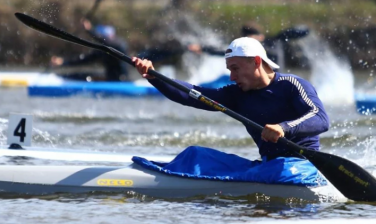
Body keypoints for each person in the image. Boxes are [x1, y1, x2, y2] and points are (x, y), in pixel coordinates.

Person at [132, 37, 329, 160]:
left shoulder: (292, 85)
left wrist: (283, 128)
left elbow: (321, 119)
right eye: (229, 70)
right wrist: (154, 77)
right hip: (270, 166)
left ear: (256, 62)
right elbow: (191, 95)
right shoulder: (236, 94)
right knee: (196, 156)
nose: (232, 77)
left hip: (302, 164)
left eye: (235, 69)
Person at [188, 22, 310, 69]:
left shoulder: (276, 40)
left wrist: (305, 30)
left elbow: (297, 31)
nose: (248, 43)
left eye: (249, 39)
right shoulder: (245, 48)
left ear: (260, 36)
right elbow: (224, 51)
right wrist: (203, 48)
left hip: (278, 81)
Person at [51, 19, 129, 81]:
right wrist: (63, 62)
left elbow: (107, 42)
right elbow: (83, 60)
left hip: (121, 80)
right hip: (109, 79)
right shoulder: (102, 51)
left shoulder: (119, 45)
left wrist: (89, 30)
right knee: (78, 76)